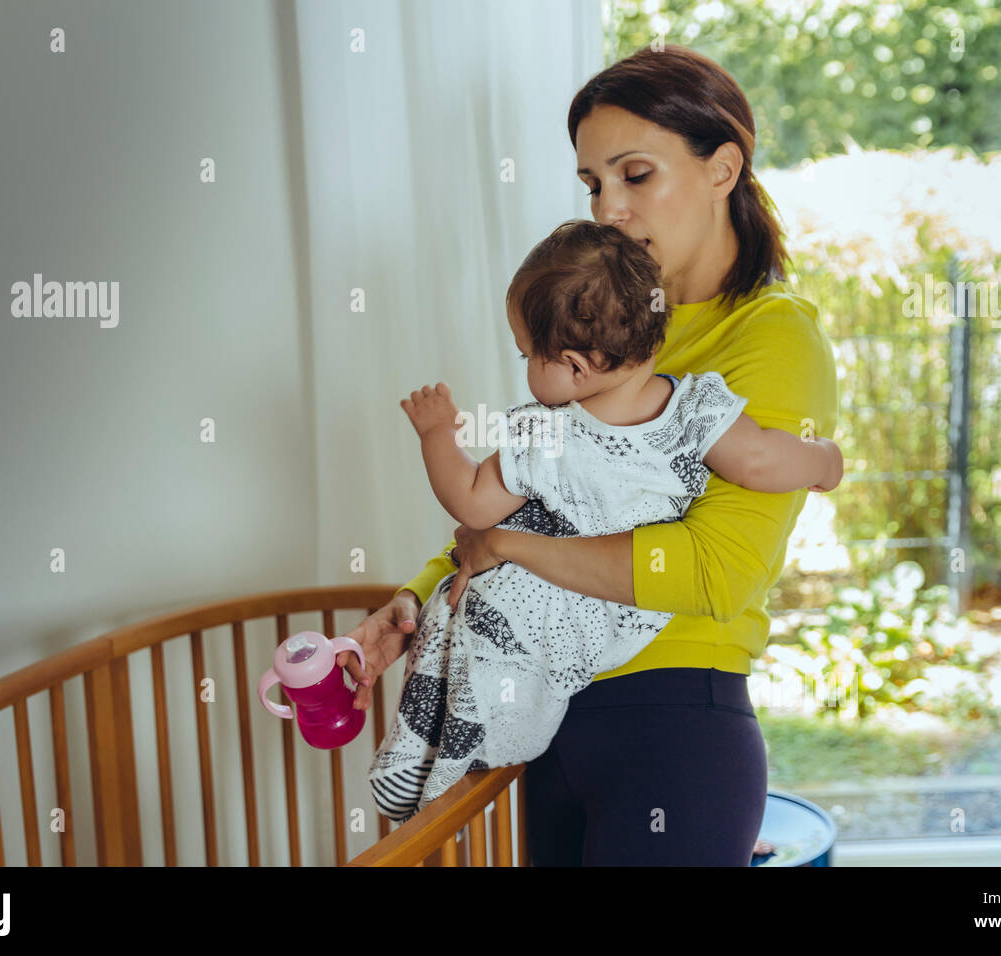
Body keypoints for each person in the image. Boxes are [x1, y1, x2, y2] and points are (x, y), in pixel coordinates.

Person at [343, 44, 840, 865]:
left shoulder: (771, 338)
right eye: (592, 184)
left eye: (635, 174)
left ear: (723, 169)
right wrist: (414, 602)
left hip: (671, 721)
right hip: (552, 714)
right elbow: (534, 494)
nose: (610, 209)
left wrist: (508, 548)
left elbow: (714, 570)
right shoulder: (600, 324)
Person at [367, 219, 842, 823]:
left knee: (464, 627)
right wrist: (824, 461)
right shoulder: (697, 406)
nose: (526, 370)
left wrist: (436, 433)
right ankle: (463, 737)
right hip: (623, 619)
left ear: (570, 366)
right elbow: (760, 460)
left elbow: (471, 504)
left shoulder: (547, 433)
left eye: (525, 354)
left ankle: (429, 750)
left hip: (549, 617)